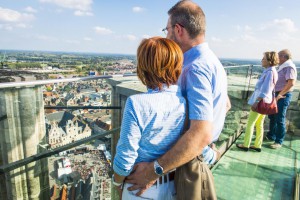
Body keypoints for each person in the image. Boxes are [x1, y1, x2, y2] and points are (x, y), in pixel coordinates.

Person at [126, 1, 228, 198]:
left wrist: (150, 172)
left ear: (178, 30)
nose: (166, 35)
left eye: (167, 29)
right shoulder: (212, 61)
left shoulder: (194, 68)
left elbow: (201, 133)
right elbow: (224, 105)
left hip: (185, 163)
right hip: (197, 155)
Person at [112, 37, 186, 199]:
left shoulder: (137, 103)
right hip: (173, 186)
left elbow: (125, 157)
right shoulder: (185, 102)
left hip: (139, 189)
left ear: (144, 68)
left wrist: (117, 183)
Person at [236, 52, 279, 152]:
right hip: (266, 102)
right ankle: (257, 145)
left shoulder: (269, 72)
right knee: (259, 124)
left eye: (263, 58)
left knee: (251, 123)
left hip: (261, 102)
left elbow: (265, 90)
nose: (261, 60)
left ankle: (246, 144)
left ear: (269, 61)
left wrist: (256, 102)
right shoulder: (272, 71)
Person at [266, 49, 297, 149]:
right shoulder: (283, 67)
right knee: (272, 116)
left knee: (279, 118)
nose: (277, 58)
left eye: (278, 56)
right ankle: (271, 136)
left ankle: (278, 141)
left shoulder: (289, 67)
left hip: (283, 95)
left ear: (284, 56)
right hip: (276, 94)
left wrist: (280, 95)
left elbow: (291, 83)